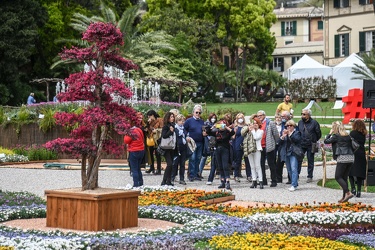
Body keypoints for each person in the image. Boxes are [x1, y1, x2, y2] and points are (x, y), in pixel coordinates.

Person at [324, 121, 355, 203]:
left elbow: (326, 141)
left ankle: (348, 193)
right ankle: (344, 197)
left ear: (334, 128)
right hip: (351, 157)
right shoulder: (347, 136)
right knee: (344, 178)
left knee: (338, 177)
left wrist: (329, 133)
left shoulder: (336, 136)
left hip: (342, 157)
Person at [206, 118, 235, 190]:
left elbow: (233, 132)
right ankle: (222, 181)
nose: (221, 126)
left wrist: (226, 127)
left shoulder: (227, 132)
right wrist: (213, 126)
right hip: (217, 150)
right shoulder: (216, 132)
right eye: (220, 124)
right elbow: (208, 131)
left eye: (222, 124)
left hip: (225, 149)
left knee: (225, 166)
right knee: (220, 166)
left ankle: (227, 181)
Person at [297, 108, 322, 183]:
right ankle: (296, 175)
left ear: (309, 115)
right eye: (302, 114)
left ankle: (310, 176)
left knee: (310, 160)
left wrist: (314, 140)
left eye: (304, 114)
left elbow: (318, 134)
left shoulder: (314, 123)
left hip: (310, 145)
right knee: (299, 160)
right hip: (302, 144)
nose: (302, 115)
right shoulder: (300, 122)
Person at [256, 110, 280, 187]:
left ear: (264, 115)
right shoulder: (257, 124)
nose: (259, 117)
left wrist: (276, 143)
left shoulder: (270, 123)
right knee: (261, 164)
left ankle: (274, 180)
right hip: (260, 147)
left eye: (261, 115)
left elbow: (276, 134)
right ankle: (263, 180)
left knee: (271, 164)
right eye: (258, 116)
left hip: (269, 146)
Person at [279, 120, 302, 192]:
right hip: (286, 153)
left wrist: (290, 134)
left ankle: (293, 185)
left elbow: (296, 140)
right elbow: (279, 143)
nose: (288, 127)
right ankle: (294, 182)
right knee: (289, 169)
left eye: (290, 125)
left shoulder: (297, 133)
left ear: (293, 126)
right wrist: (282, 137)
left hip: (293, 153)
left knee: (294, 168)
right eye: (287, 126)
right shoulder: (285, 133)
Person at [242, 116, 264, 189]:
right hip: (250, 149)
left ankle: (260, 181)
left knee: (258, 166)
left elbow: (256, 137)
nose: (254, 125)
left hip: (257, 149)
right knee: (252, 166)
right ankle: (254, 180)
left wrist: (252, 131)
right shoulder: (250, 131)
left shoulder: (260, 131)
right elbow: (243, 134)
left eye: (256, 123)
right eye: (253, 123)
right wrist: (248, 129)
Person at [184, 105, 205, 182]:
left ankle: (196, 174)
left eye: (199, 112)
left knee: (198, 158)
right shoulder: (189, 121)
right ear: (193, 112)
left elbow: (204, 130)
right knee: (192, 158)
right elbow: (184, 129)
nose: (198, 114)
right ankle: (191, 174)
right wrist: (186, 137)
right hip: (192, 142)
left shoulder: (202, 121)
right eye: (196, 112)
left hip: (200, 142)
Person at [349, 119, 367, 198]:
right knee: (359, 173)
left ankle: (353, 188)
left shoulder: (352, 133)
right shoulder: (363, 133)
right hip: (361, 154)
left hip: (353, 153)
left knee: (350, 172)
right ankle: (359, 190)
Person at [123, 121, 145, 187]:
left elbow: (126, 141)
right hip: (141, 150)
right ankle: (141, 182)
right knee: (138, 168)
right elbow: (143, 138)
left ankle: (136, 184)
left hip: (133, 151)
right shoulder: (139, 130)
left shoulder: (130, 132)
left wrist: (125, 134)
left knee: (134, 169)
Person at [160, 112, 177, 186]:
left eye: (173, 117)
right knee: (169, 164)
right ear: (168, 118)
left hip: (172, 147)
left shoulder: (173, 125)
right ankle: (164, 180)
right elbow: (164, 136)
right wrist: (170, 131)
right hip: (166, 147)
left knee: (172, 164)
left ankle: (169, 181)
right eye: (171, 117)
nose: (172, 118)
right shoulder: (166, 126)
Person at [199, 113, 217, 178]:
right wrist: (211, 130)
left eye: (214, 118)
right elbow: (204, 133)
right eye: (212, 117)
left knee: (214, 158)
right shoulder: (206, 124)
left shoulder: (216, 124)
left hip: (213, 142)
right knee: (204, 157)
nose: (213, 119)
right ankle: (199, 172)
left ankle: (213, 173)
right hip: (206, 141)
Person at [145, 110, 163, 175]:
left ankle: (158, 169)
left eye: (149, 116)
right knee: (150, 154)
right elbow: (147, 129)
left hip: (157, 139)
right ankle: (151, 167)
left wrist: (156, 130)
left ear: (153, 115)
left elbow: (162, 129)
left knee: (158, 154)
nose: (149, 118)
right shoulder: (149, 122)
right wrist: (147, 123)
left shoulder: (160, 120)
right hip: (151, 139)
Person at [276, 111, 292, 183]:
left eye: (283, 117)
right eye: (281, 117)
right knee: (279, 163)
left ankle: (291, 178)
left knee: (290, 163)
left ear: (288, 117)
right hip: (282, 145)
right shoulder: (281, 125)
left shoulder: (291, 124)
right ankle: (279, 178)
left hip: (289, 146)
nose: (282, 118)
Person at [172, 114, 188, 185]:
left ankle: (182, 179)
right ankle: (172, 178)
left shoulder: (183, 128)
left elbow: (186, 134)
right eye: (181, 121)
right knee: (175, 164)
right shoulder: (175, 128)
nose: (182, 122)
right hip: (177, 148)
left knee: (182, 164)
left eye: (183, 121)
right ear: (177, 121)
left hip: (183, 148)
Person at [232, 113, 246, 182]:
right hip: (237, 145)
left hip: (245, 145)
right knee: (238, 161)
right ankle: (236, 175)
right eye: (239, 118)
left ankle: (249, 175)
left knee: (247, 161)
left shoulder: (246, 126)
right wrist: (234, 131)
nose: (241, 119)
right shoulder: (235, 127)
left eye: (242, 117)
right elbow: (232, 137)